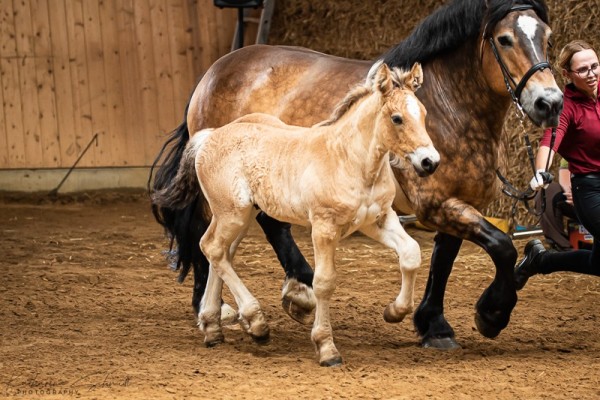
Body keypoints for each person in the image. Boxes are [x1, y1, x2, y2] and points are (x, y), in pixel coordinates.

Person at [515, 39, 600, 290]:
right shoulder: (567, 107)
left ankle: (540, 260)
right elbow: (549, 141)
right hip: (591, 189)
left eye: (595, 65)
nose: (592, 73)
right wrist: (541, 172)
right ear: (567, 74)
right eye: (583, 69)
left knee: (598, 264)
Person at [535, 159, 578, 251]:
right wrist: (571, 193)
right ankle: (563, 249)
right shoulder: (576, 146)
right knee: (547, 191)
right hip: (584, 196)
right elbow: (565, 170)